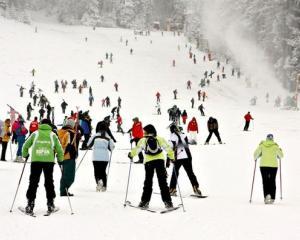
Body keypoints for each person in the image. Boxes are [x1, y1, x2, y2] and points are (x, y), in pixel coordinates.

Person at [22, 118, 64, 214]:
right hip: (48, 161)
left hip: (36, 161)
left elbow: (25, 146)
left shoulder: (35, 133)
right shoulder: (52, 135)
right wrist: (60, 159)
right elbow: (59, 149)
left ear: (40, 124)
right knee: (49, 182)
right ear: (50, 125)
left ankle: (30, 204)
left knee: (33, 182)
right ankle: (50, 204)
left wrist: (25, 155)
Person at [128, 124, 174, 209]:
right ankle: (168, 202)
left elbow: (137, 149)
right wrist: (172, 158)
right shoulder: (159, 139)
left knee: (148, 182)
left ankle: (144, 202)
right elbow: (168, 148)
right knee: (163, 182)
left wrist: (131, 154)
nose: (143, 132)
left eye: (144, 130)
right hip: (160, 161)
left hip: (148, 162)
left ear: (147, 131)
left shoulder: (143, 140)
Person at [168, 124, 202, 196]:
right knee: (190, 173)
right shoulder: (183, 134)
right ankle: (196, 187)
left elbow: (169, 148)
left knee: (175, 173)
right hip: (187, 157)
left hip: (178, 158)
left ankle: (172, 189)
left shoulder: (173, 137)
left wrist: (168, 160)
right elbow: (190, 141)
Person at [254, 134, 283, 204]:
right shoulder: (275, 146)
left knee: (265, 180)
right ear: (272, 139)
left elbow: (255, 154)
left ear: (266, 139)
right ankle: (272, 197)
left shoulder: (262, 145)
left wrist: (258, 156)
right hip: (273, 166)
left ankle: (266, 196)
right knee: (272, 181)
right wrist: (280, 150)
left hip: (263, 165)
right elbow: (281, 156)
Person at [87, 121, 115, 192]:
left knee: (96, 171)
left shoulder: (95, 136)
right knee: (103, 171)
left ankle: (98, 182)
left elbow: (88, 144)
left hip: (96, 157)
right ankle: (104, 186)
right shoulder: (108, 137)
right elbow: (112, 147)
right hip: (105, 157)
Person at [57, 118, 79, 197]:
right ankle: (63, 190)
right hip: (69, 156)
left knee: (64, 175)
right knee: (70, 176)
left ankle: (63, 190)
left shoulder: (59, 132)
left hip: (60, 156)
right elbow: (69, 145)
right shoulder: (71, 133)